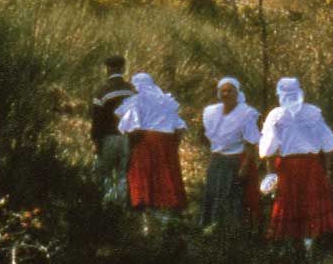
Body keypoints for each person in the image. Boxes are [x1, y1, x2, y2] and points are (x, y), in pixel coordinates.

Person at [258, 77, 333, 250]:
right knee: (307, 204)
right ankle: (304, 248)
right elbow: (330, 145)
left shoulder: (281, 114)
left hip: (292, 167)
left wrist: (271, 171)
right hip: (308, 166)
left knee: (291, 204)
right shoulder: (305, 113)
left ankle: (294, 249)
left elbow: (268, 150)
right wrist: (328, 171)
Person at [118, 72, 187, 215]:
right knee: (166, 172)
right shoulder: (165, 101)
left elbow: (131, 126)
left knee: (144, 172)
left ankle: (145, 203)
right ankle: (169, 205)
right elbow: (180, 127)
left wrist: (132, 142)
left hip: (146, 141)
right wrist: (173, 143)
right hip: (167, 142)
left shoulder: (137, 101)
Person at [200, 76, 262, 229]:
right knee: (214, 193)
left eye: (230, 90)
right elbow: (207, 137)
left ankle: (232, 230)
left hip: (235, 161)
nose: (226, 94)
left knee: (231, 196)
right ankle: (213, 227)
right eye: (223, 91)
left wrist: (245, 166)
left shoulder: (246, 114)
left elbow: (251, 143)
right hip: (217, 160)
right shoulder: (212, 112)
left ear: (237, 93)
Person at [88, 56, 136, 207]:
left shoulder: (102, 91)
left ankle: (105, 207)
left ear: (108, 69)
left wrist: (96, 140)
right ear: (123, 69)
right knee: (123, 174)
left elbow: (97, 119)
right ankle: (121, 207)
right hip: (127, 138)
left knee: (104, 173)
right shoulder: (132, 90)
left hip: (108, 138)